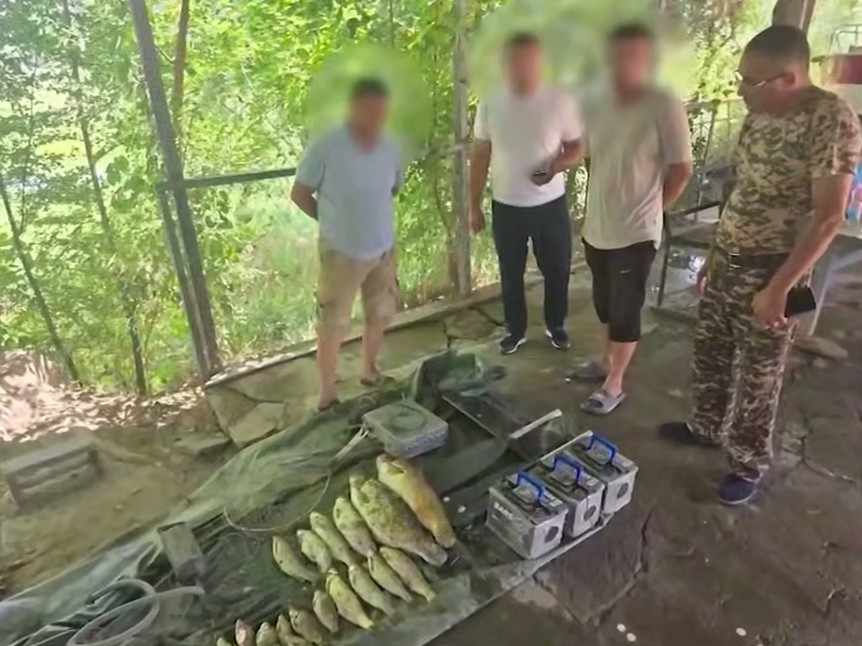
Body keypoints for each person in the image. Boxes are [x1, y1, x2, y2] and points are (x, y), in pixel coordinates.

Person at [659, 25, 862, 505]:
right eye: (740, 78)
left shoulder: (830, 119)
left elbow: (829, 215)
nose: (741, 90)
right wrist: (714, 254)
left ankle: (747, 462)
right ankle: (706, 426)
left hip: (774, 270)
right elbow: (739, 192)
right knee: (711, 352)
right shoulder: (759, 115)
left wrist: (779, 288)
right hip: (729, 259)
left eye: (751, 81)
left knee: (759, 375)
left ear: (789, 78)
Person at [570, 23, 693, 415]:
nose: (620, 64)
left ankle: (615, 384)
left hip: (636, 230)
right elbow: (589, 155)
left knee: (625, 310)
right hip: (598, 226)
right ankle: (605, 361)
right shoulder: (595, 102)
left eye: (631, 56)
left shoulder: (663, 103)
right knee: (604, 304)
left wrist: (656, 208)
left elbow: (682, 168)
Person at [291, 78, 403, 411]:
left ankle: (369, 370)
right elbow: (299, 193)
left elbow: (393, 188)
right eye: (370, 113)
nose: (377, 121)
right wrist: (331, 223)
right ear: (352, 109)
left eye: (382, 114)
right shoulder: (325, 146)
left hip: (382, 248)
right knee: (333, 323)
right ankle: (327, 393)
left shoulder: (391, 145)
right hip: (341, 253)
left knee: (380, 313)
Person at [470, 32, 585, 354]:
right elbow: (480, 153)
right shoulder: (491, 101)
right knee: (511, 274)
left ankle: (556, 325)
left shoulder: (560, 99)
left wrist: (555, 166)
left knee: (557, 270)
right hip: (506, 206)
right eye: (515, 62)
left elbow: (577, 148)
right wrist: (473, 205)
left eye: (529, 62)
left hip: (550, 205)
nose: (523, 69)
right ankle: (515, 330)